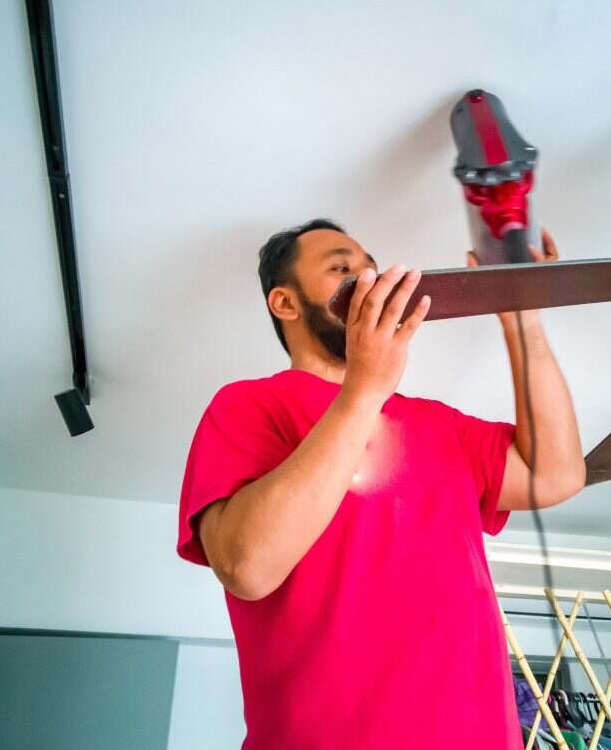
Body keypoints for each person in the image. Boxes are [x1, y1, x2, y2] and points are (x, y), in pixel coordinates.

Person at [176, 218, 586, 749]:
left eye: (371, 268)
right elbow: (246, 566)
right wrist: (364, 390)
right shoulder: (246, 405)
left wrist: (522, 318)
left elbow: (555, 474)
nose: (368, 280)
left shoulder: (440, 425)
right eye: (342, 269)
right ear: (286, 303)